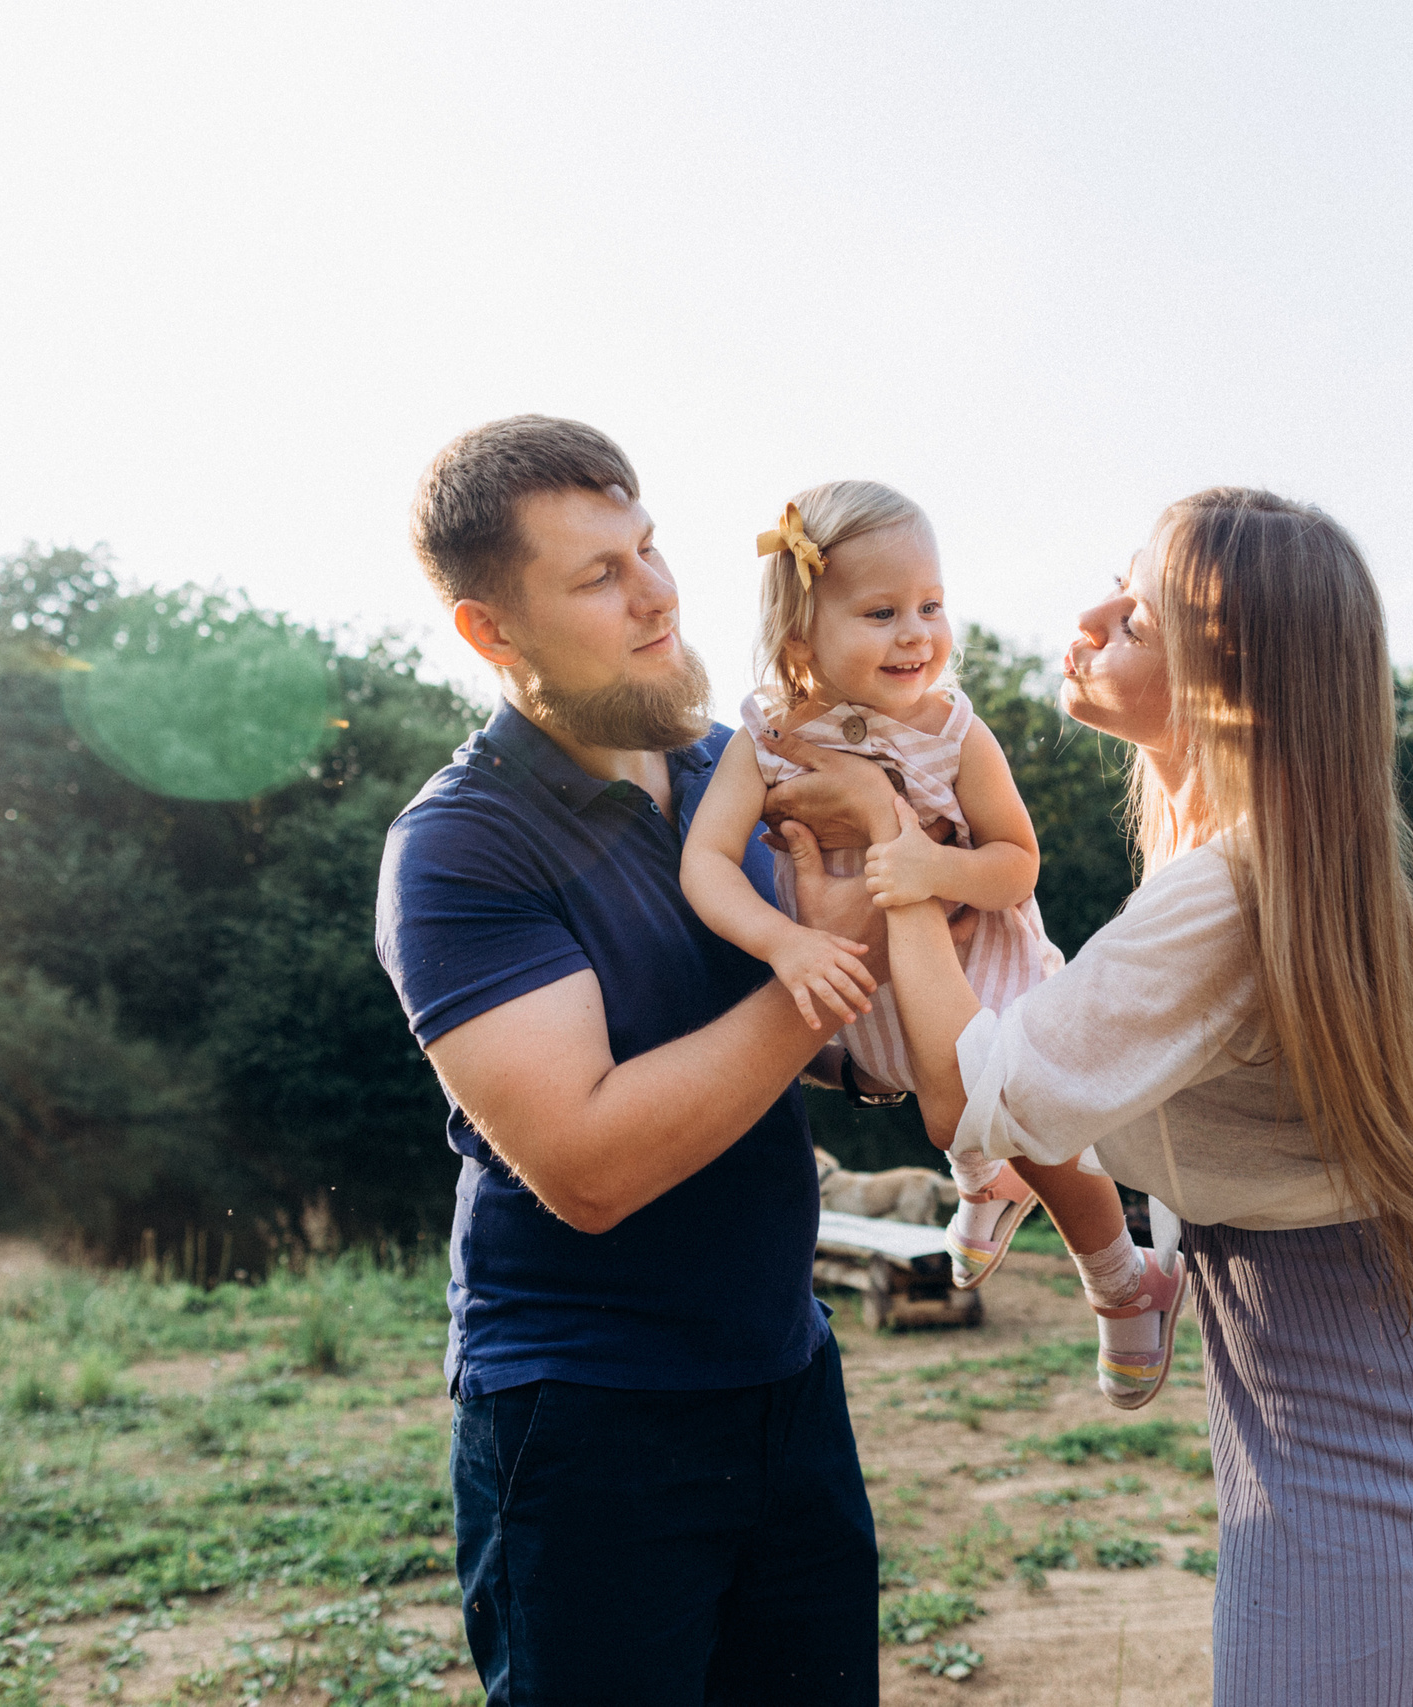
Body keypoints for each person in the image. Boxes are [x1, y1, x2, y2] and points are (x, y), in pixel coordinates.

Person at [857, 487, 1413, 1704]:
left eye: (1141, 620)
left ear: (1238, 684)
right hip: (1308, 1357)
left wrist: (896, 864)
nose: (1092, 616)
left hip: (1352, 1400)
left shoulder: (1225, 893)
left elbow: (973, 1097)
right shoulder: (1229, 854)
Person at [373, 416, 879, 1704]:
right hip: (585, 1416)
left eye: (647, 548)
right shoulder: (460, 847)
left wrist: (912, 1032)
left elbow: (792, 1039)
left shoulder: (730, 774)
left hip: (785, 1376)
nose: (656, 591)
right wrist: (819, 983)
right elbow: (589, 1162)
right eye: (598, 575)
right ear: (493, 633)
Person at [678, 478, 1186, 1408]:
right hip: (859, 979)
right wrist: (783, 943)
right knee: (939, 1097)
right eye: (881, 611)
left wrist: (925, 871)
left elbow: (1015, 862)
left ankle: (1123, 1280)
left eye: (931, 605)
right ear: (802, 640)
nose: (917, 632)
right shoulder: (764, 736)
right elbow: (706, 863)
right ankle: (984, 1183)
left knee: (1020, 1109)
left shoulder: (953, 731)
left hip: (976, 956)